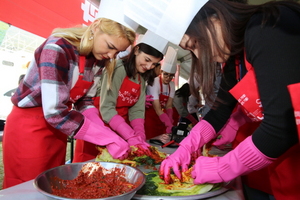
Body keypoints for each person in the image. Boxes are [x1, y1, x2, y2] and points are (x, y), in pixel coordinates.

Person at [124, 0, 300, 199]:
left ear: (215, 17)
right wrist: (187, 147)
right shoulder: (236, 58)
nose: (200, 56)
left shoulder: (267, 26)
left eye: (195, 44)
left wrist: (223, 167)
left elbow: (282, 127)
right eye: (191, 51)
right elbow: (218, 112)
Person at [2, 0, 138, 188]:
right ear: (96, 27)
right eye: (110, 46)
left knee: (52, 185)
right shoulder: (57, 48)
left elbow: (84, 100)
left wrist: (105, 131)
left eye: (118, 52)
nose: (111, 55)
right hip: (30, 128)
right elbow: (55, 112)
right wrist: (105, 138)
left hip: (58, 129)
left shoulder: (97, 60)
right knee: (25, 187)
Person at [73, 30, 168, 162]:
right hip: (99, 127)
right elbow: (106, 108)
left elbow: (137, 110)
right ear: (136, 50)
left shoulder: (141, 78)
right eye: (147, 60)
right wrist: (130, 136)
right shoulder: (118, 69)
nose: (149, 66)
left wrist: (139, 135)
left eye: (154, 64)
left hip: (120, 129)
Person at [144, 46, 178, 139]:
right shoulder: (154, 82)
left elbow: (169, 105)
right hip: (150, 116)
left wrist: (170, 119)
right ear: (161, 71)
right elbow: (156, 106)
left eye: (171, 76)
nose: (168, 78)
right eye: (166, 74)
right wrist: (167, 123)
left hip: (161, 117)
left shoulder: (171, 85)